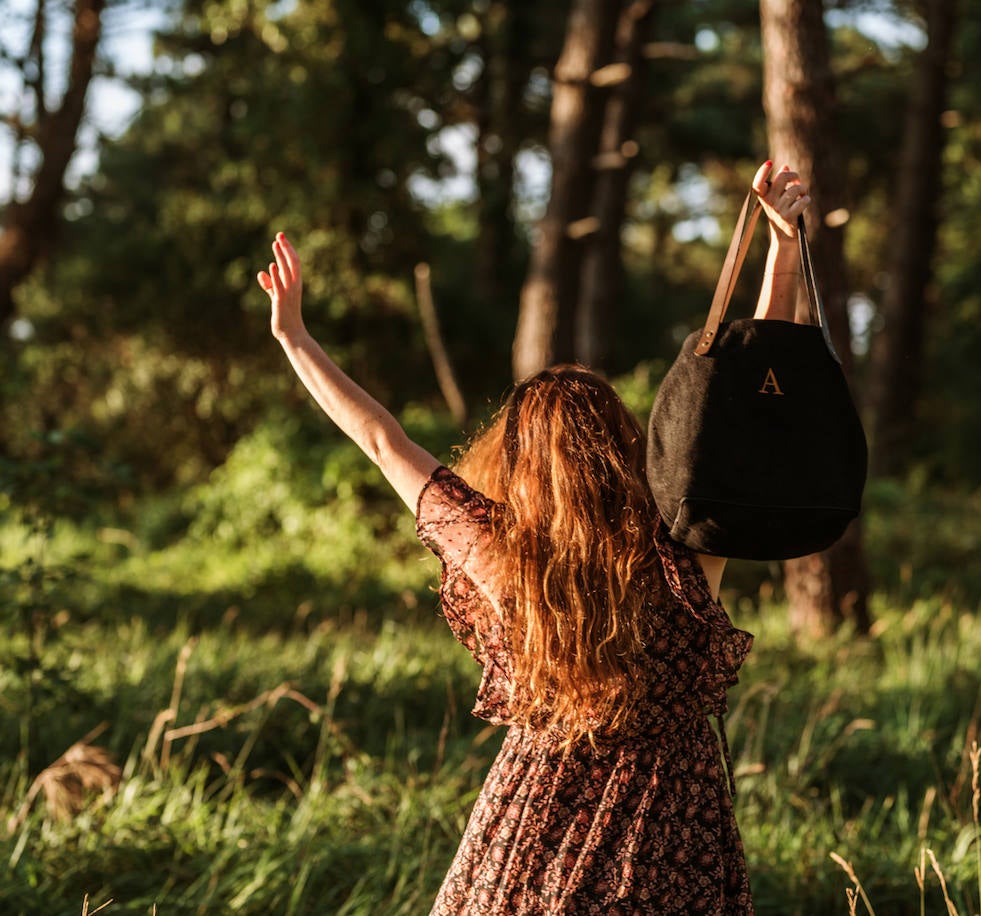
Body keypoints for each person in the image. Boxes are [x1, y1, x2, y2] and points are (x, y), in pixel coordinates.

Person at [256, 160, 813, 915]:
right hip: (671, 836)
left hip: (529, 829)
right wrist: (779, 244)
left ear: (516, 464)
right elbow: (740, 408)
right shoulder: (683, 546)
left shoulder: (502, 556)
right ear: (623, 446)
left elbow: (384, 441)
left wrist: (293, 337)